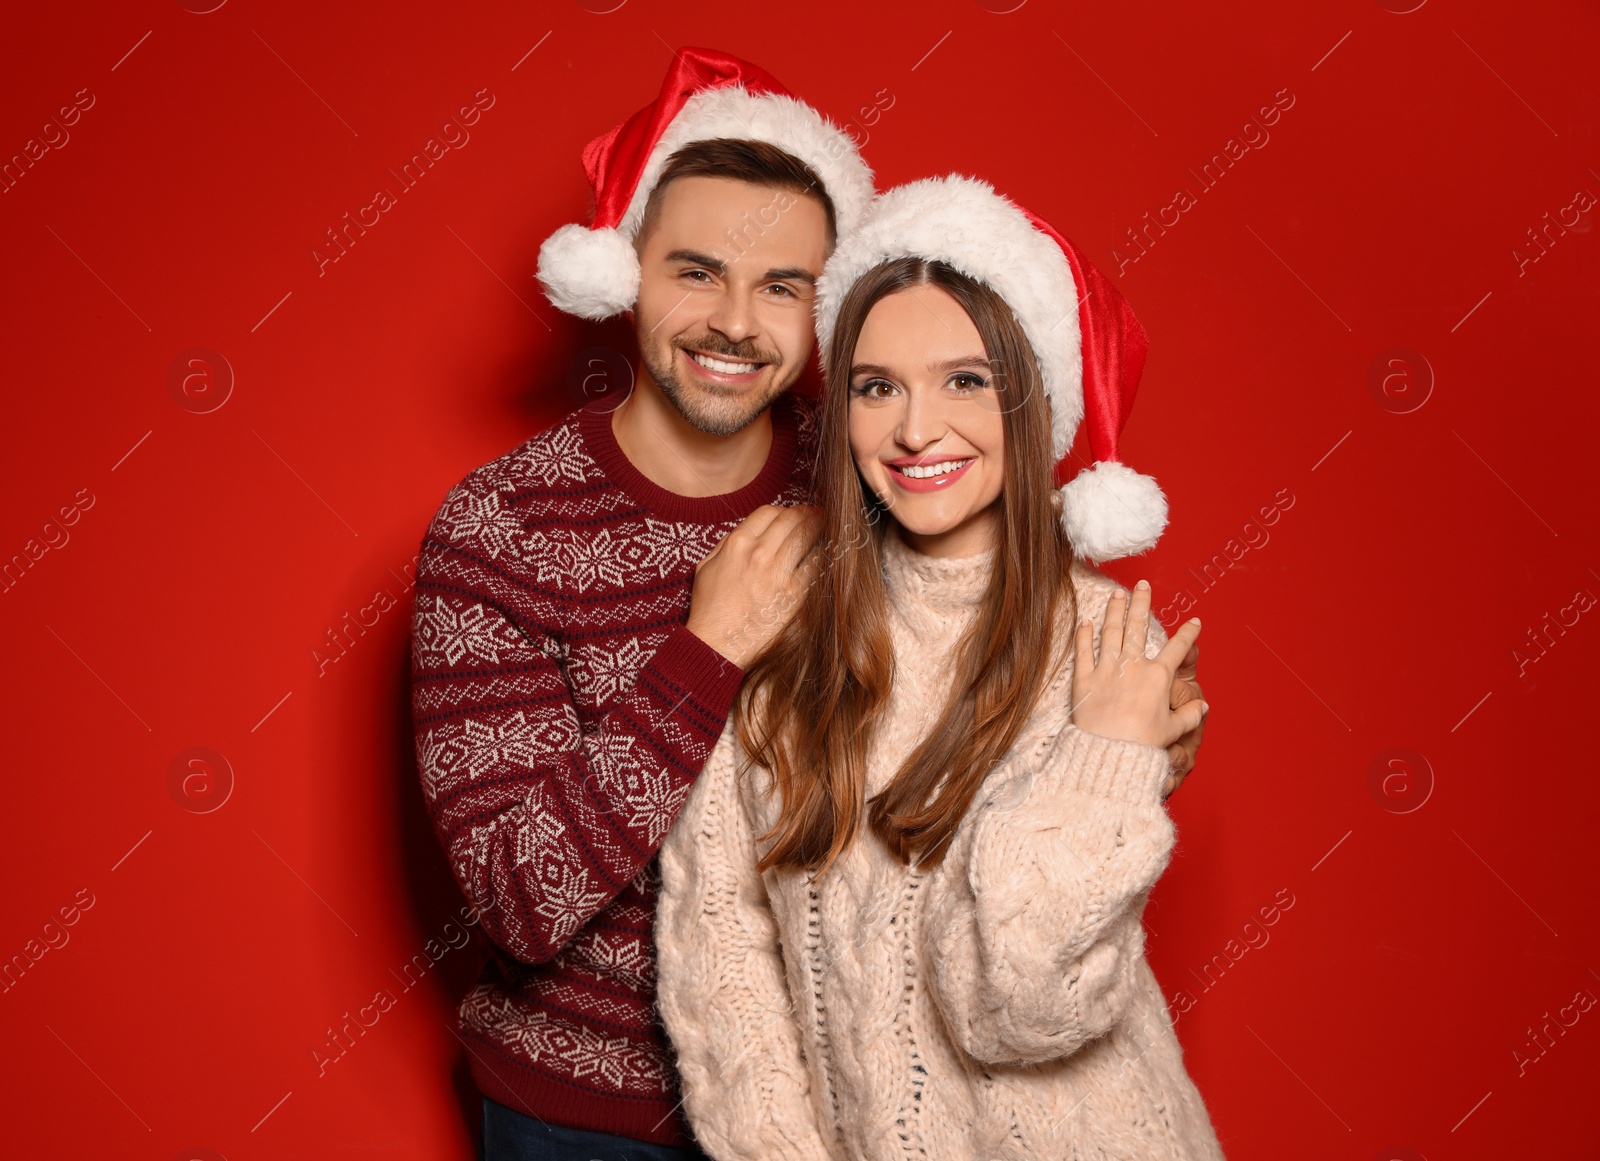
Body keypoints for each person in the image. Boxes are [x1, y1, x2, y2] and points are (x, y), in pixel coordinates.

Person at [655, 175, 1226, 1159]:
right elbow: (724, 944)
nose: (916, 430)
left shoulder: (1104, 645)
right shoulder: (782, 614)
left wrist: (1106, 762)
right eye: (878, 386)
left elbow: (1021, 1010)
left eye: (965, 380)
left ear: (1029, 398)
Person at [410, 48, 875, 1160]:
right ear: (623, 271)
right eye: (697, 271)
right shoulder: (498, 528)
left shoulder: (866, 491)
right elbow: (520, 900)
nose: (735, 323)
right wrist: (705, 651)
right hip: (590, 1117)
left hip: (832, 1093)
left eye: (782, 286)